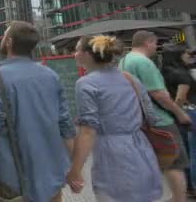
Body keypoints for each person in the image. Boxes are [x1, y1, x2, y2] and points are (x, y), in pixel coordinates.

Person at [0, 21, 75, 202]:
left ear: (9, 42)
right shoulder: (51, 76)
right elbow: (66, 125)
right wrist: (75, 167)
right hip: (51, 174)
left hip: (13, 178)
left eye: (4, 35)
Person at [68, 35, 162, 201]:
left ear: (88, 55)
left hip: (112, 154)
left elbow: (88, 131)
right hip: (142, 149)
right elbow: (151, 116)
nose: (74, 54)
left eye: (77, 50)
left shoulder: (86, 83)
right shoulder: (129, 78)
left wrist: (75, 170)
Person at [119, 30, 192, 202]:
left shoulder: (124, 61)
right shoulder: (143, 62)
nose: (156, 47)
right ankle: (179, 199)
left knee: (158, 162)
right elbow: (159, 94)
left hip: (139, 119)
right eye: (155, 43)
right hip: (160, 119)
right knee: (175, 163)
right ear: (147, 42)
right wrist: (180, 114)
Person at [161, 44, 196, 197]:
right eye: (185, 54)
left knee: (186, 151)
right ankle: (193, 185)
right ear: (178, 56)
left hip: (178, 116)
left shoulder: (164, 73)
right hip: (189, 113)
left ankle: (189, 186)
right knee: (194, 151)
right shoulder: (183, 75)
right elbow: (181, 97)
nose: (188, 57)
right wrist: (176, 111)